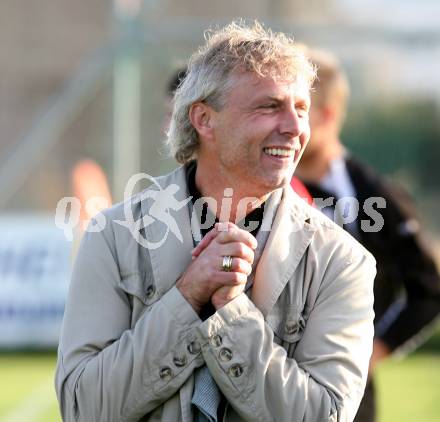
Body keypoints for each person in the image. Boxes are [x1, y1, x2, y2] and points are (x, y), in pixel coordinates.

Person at [55, 22, 376, 422]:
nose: (295, 129)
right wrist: (188, 296)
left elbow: (324, 417)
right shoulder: (112, 237)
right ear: (204, 119)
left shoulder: (342, 261)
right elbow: (83, 408)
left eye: (301, 109)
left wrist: (231, 313)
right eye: (269, 106)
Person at [296, 48, 440, 422]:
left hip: (347, 392)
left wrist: (375, 350)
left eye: (298, 108)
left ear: (327, 115)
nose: (284, 123)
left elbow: (428, 285)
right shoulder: (260, 190)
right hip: (268, 380)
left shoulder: (372, 194)